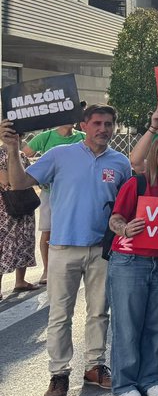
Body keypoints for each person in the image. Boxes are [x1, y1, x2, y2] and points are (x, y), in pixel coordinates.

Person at [2, 106, 130, 396]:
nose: (103, 129)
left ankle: (95, 366)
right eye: (97, 123)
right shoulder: (61, 155)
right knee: (60, 314)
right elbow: (20, 183)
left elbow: (127, 204)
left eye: (108, 124)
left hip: (102, 249)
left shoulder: (120, 162)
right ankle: (59, 373)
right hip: (62, 247)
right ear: (84, 125)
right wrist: (11, 147)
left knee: (99, 312)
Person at [104, 133, 158, 396]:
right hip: (130, 261)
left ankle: (151, 377)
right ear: (155, 156)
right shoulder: (137, 182)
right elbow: (115, 218)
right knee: (128, 324)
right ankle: (124, 383)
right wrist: (125, 228)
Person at [22, 120, 85, 282]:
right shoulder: (46, 137)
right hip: (50, 193)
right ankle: (47, 270)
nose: (73, 119)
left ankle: (76, 268)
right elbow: (24, 154)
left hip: (76, 193)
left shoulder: (83, 137)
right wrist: (39, 175)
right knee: (47, 231)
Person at [0, 143, 37, 298]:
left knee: (24, 240)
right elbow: (6, 181)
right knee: (3, 243)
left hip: (21, 204)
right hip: (5, 207)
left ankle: (20, 281)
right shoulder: (5, 154)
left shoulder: (21, 154)